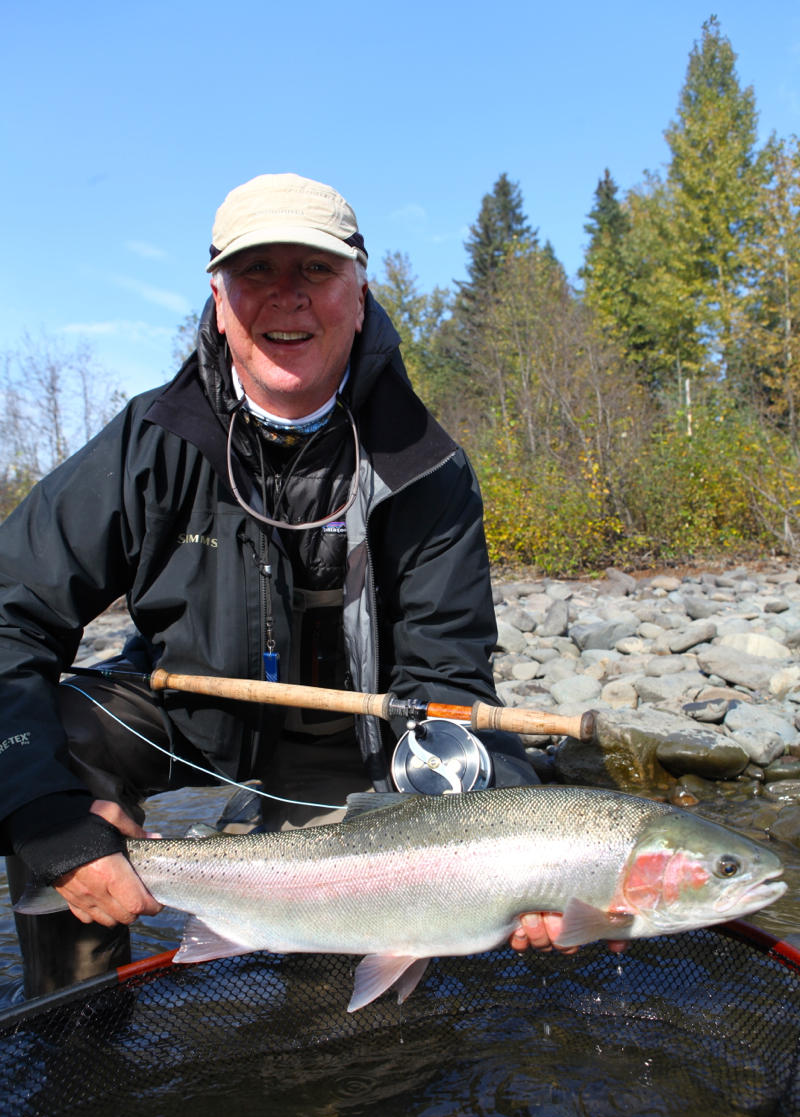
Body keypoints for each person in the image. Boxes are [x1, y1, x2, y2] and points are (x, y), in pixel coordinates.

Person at [0, 173, 575, 998]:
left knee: (348, 1038)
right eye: (257, 272)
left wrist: (506, 863)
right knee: (48, 739)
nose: (286, 298)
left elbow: (449, 687)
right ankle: (76, 1014)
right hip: (191, 722)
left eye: (313, 271)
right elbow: (8, 615)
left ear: (360, 285)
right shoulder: (150, 444)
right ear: (218, 294)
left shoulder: (426, 465)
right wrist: (45, 820)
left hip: (366, 759)